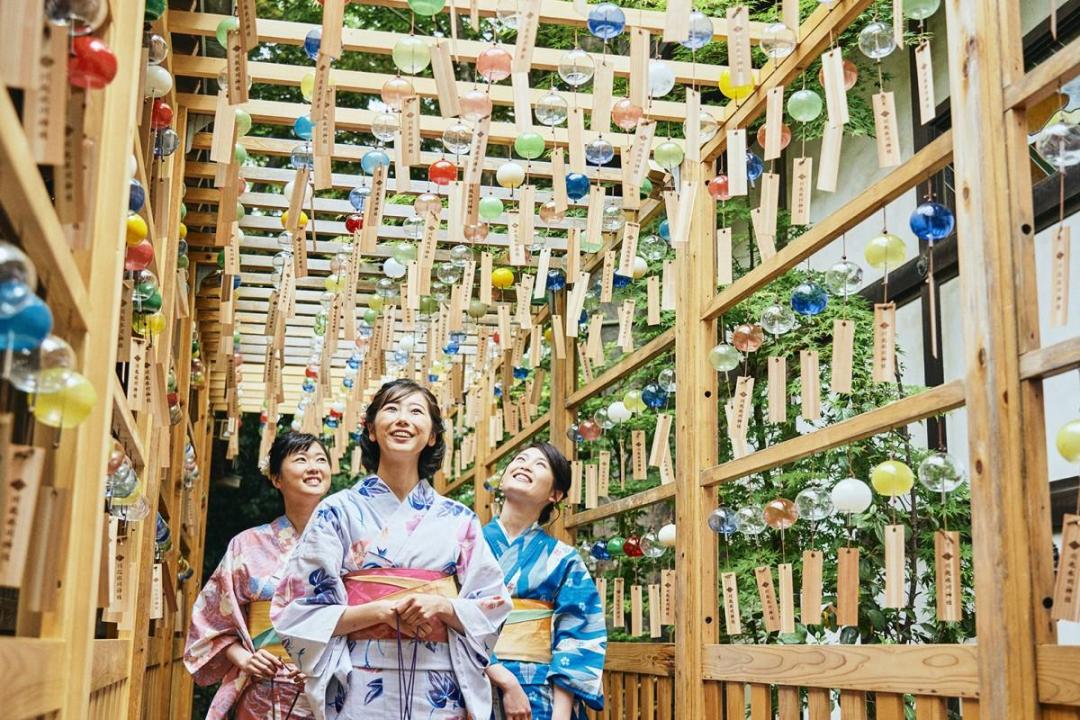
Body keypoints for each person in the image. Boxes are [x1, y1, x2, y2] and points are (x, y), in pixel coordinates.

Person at [272, 379, 511, 720]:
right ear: (371, 430)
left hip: (439, 679)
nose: (402, 419)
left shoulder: (459, 518)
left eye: (416, 411)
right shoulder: (336, 511)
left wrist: (441, 606)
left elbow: (493, 605)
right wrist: (382, 612)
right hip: (358, 676)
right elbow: (295, 611)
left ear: (431, 436)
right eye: (391, 409)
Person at [185, 431, 333, 720]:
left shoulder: (351, 544)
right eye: (301, 459)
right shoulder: (247, 545)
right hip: (265, 694)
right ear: (276, 478)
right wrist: (246, 659)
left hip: (332, 690)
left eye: (320, 459)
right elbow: (210, 621)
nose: (314, 466)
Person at [483, 443, 606, 720]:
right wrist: (503, 679)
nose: (525, 465)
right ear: (503, 480)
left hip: (540, 696)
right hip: (470, 684)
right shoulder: (466, 546)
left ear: (555, 494)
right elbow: (451, 622)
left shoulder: (564, 559)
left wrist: (559, 715)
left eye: (539, 464)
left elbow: (578, 636)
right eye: (520, 459)